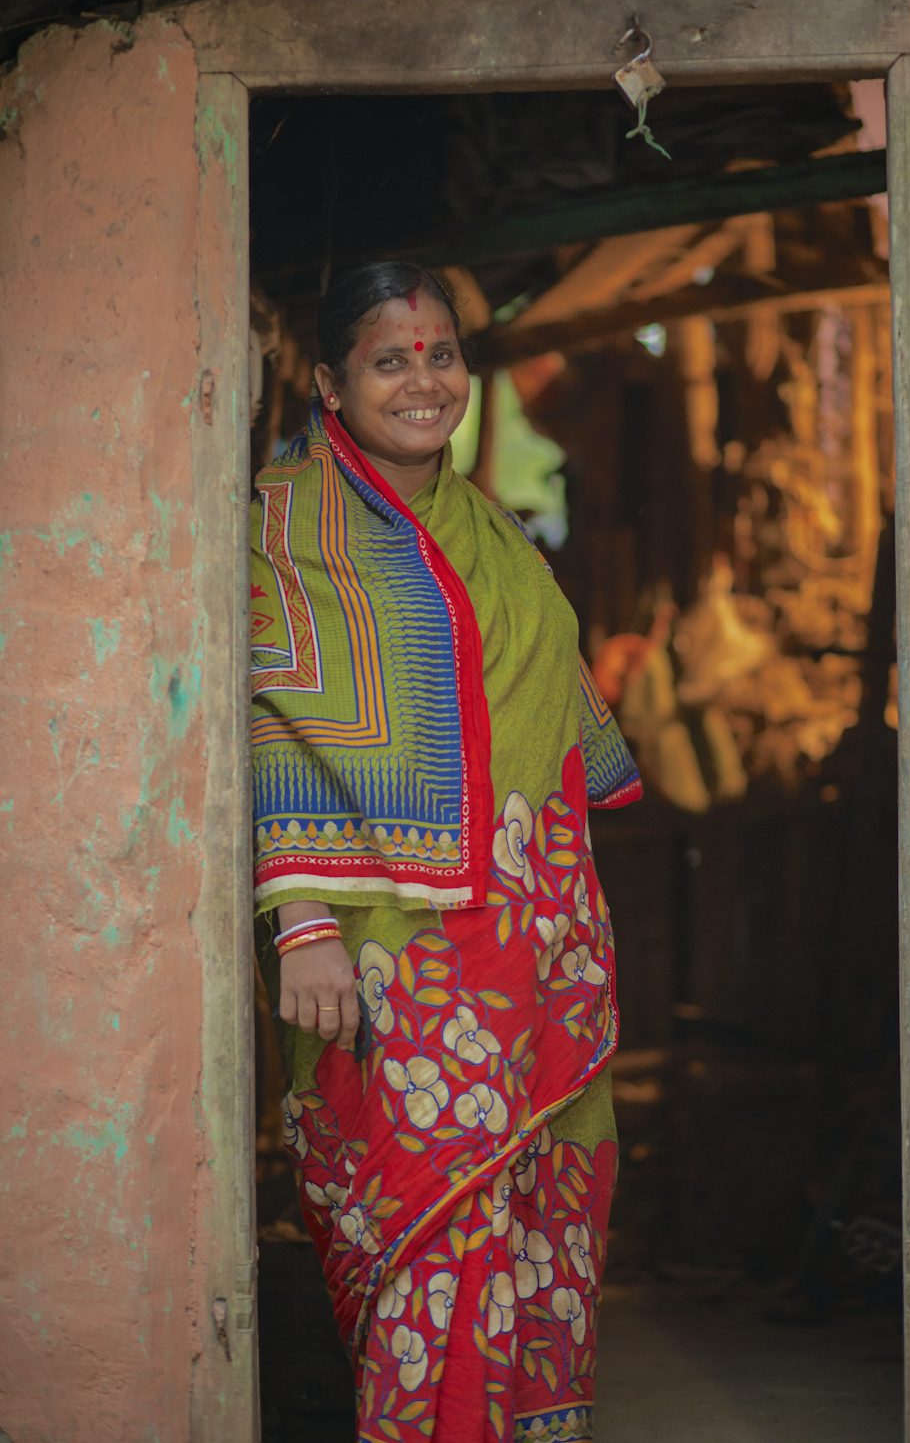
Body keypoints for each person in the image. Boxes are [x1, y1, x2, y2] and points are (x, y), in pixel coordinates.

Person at [250, 262, 641, 1443]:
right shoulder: (280, 523)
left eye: (440, 356)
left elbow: (549, 719)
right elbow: (264, 712)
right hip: (383, 951)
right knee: (419, 1216)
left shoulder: (494, 529)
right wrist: (302, 922)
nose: (423, 381)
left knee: (530, 1207)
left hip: (529, 934)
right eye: (388, 358)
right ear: (328, 381)